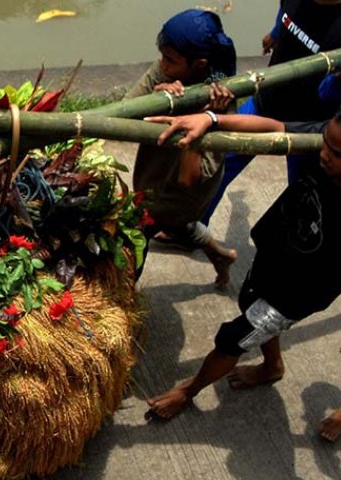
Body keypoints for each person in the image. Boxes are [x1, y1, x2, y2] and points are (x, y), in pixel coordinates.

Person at [143, 99, 341, 435]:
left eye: (336, 153)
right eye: (325, 142)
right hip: (275, 251)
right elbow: (276, 128)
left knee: (233, 338)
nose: (323, 153)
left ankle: (188, 390)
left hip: (295, 294)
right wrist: (211, 120)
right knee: (246, 300)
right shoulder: (332, 142)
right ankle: (273, 366)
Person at [201, 0, 341, 226]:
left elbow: (328, 95)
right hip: (266, 101)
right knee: (219, 166)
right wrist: (275, 33)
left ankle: (294, 253)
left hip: (304, 124)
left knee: (302, 195)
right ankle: (193, 230)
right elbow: (285, 11)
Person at [122, 8, 238, 288]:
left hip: (181, 192)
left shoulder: (221, 100)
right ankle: (220, 256)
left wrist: (199, 114)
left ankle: (125, 290)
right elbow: (124, 113)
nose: (162, 64)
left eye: (170, 59)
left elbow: (189, 178)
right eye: (162, 55)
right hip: (153, 172)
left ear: (198, 65)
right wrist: (154, 98)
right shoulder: (165, 67)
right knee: (178, 226)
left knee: (134, 237)